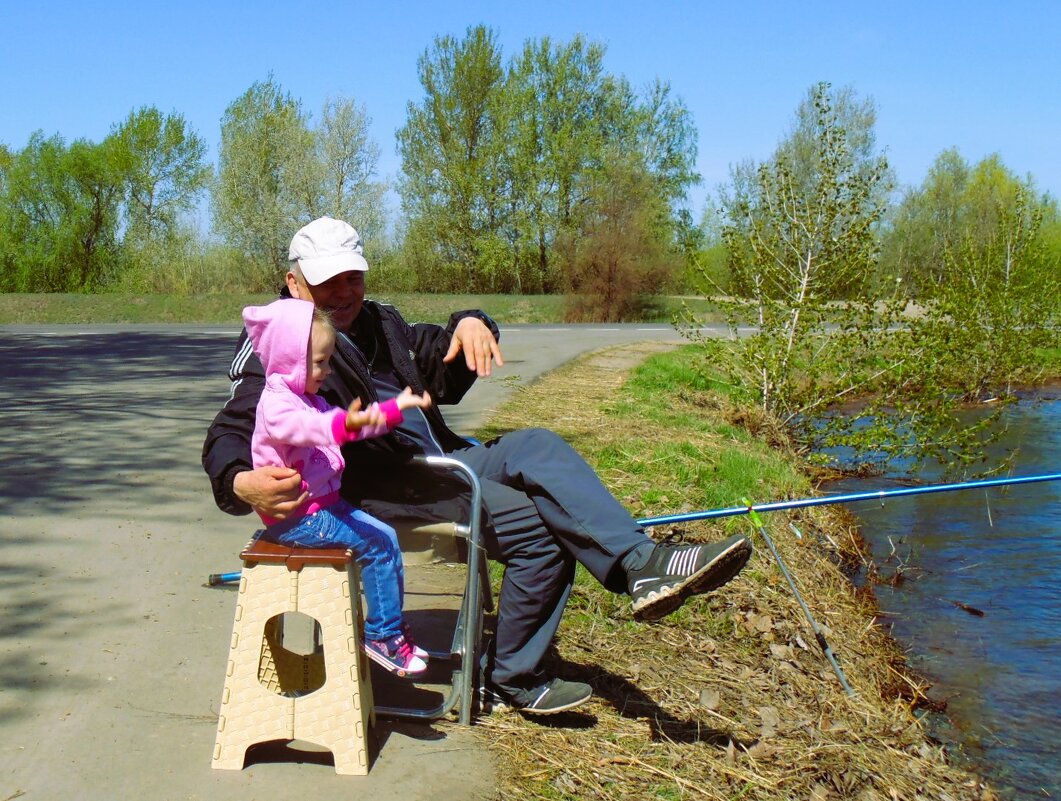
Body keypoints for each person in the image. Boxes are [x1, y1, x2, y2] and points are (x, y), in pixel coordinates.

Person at [203, 216, 753, 715]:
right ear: (295, 283)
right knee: (542, 525)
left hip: (450, 458)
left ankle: (642, 563)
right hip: (396, 487)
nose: (344, 293)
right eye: (328, 281)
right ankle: (515, 676)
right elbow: (233, 427)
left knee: (536, 443)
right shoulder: (280, 345)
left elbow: (442, 360)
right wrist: (239, 481)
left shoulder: (380, 322)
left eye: (353, 278)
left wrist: (473, 321)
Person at [243, 296, 433, 676]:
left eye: (328, 360)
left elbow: (349, 425)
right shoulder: (277, 404)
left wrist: (396, 408)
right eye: (319, 361)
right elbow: (309, 429)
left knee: (385, 537)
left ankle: (389, 628)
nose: (327, 370)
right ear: (288, 357)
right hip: (298, 517)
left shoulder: (307, 398)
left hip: (323, 506)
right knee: (378, 546)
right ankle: (382, 635)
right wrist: (342, 424)